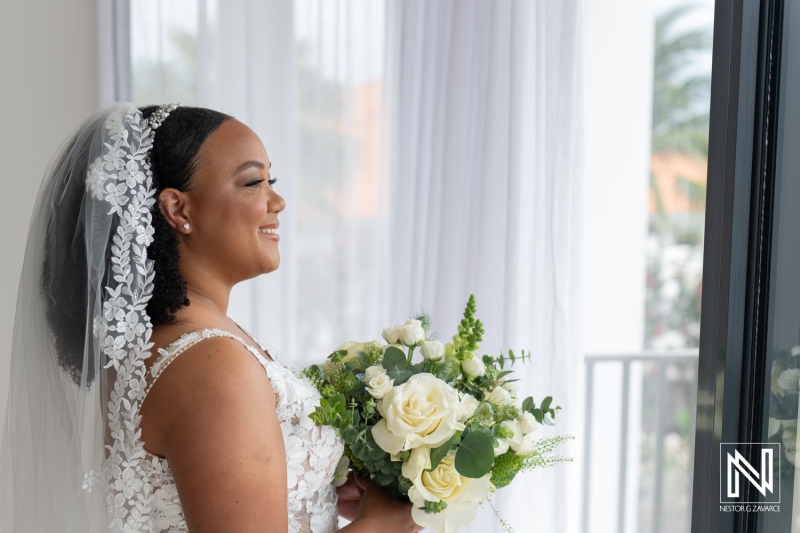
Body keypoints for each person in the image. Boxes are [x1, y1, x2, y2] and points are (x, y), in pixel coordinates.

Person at [0, 102, 421, 532]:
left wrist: (315, 487)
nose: (277, 201)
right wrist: (385, 522)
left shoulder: (170, 348)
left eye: (271, 181)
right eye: (253, 182)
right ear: (178, 210)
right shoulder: (212, 364)